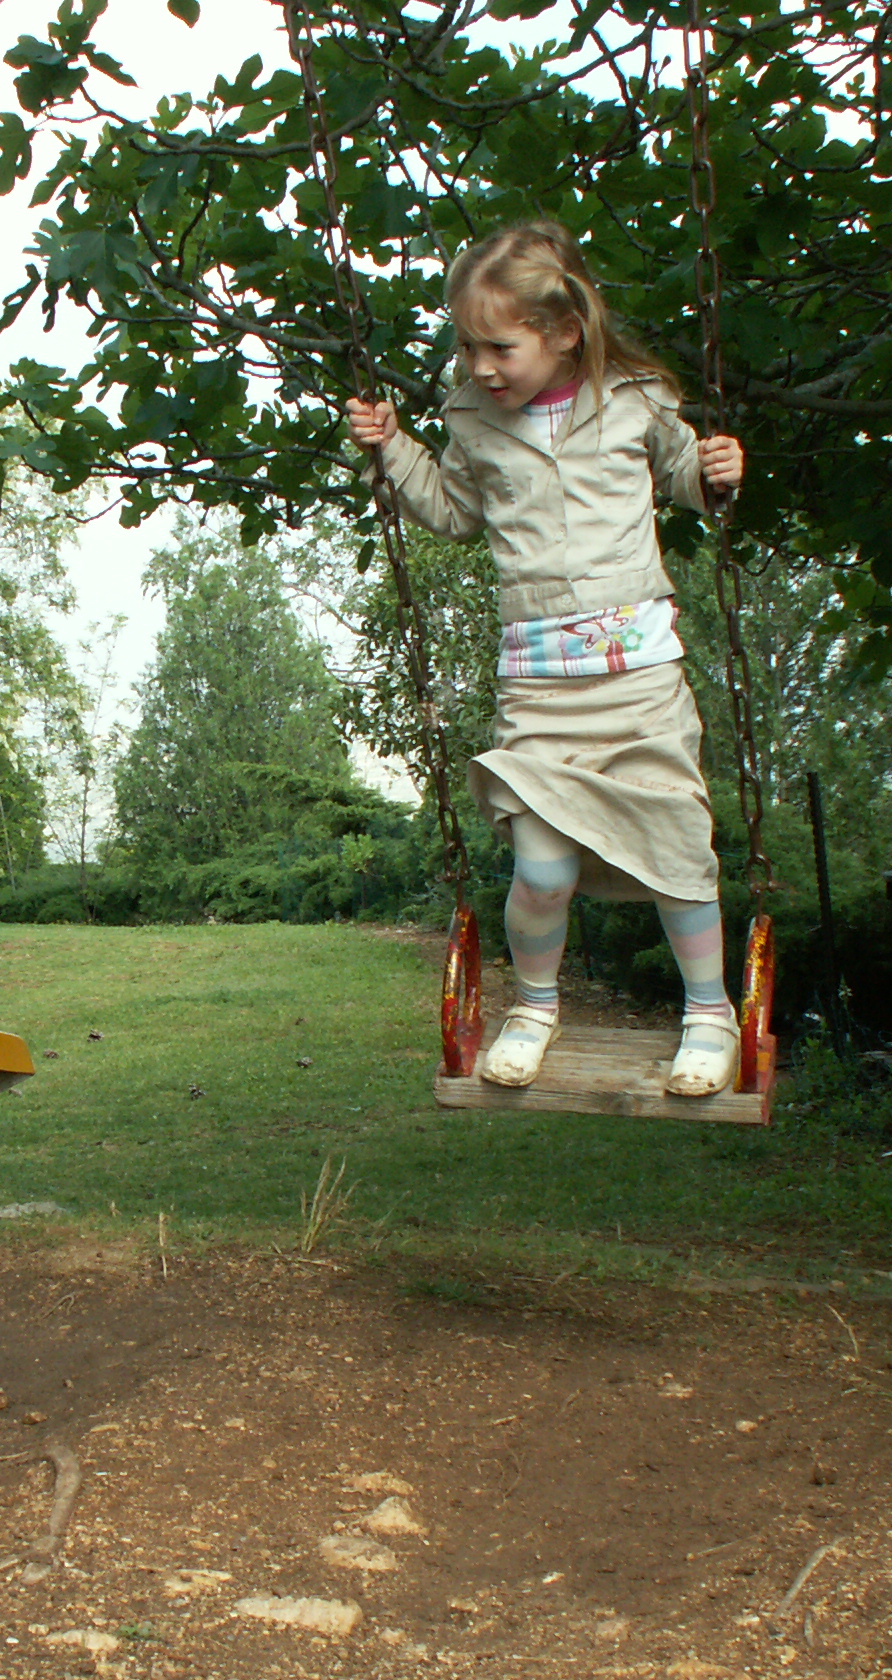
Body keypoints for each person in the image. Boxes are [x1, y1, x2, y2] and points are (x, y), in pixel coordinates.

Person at [345, 220, 747, 1096]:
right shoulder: (473, 419)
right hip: (538, 690)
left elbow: (685, 475)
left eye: (500, 346)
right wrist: (393, 450)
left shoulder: (635, 398)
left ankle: (709, 1014)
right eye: (468, 345)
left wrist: (716, 469)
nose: (481, 365)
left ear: (564, 331)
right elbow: (454, 512)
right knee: (541, 868)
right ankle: (533, 1007)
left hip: (639, 683)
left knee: (678, 857)